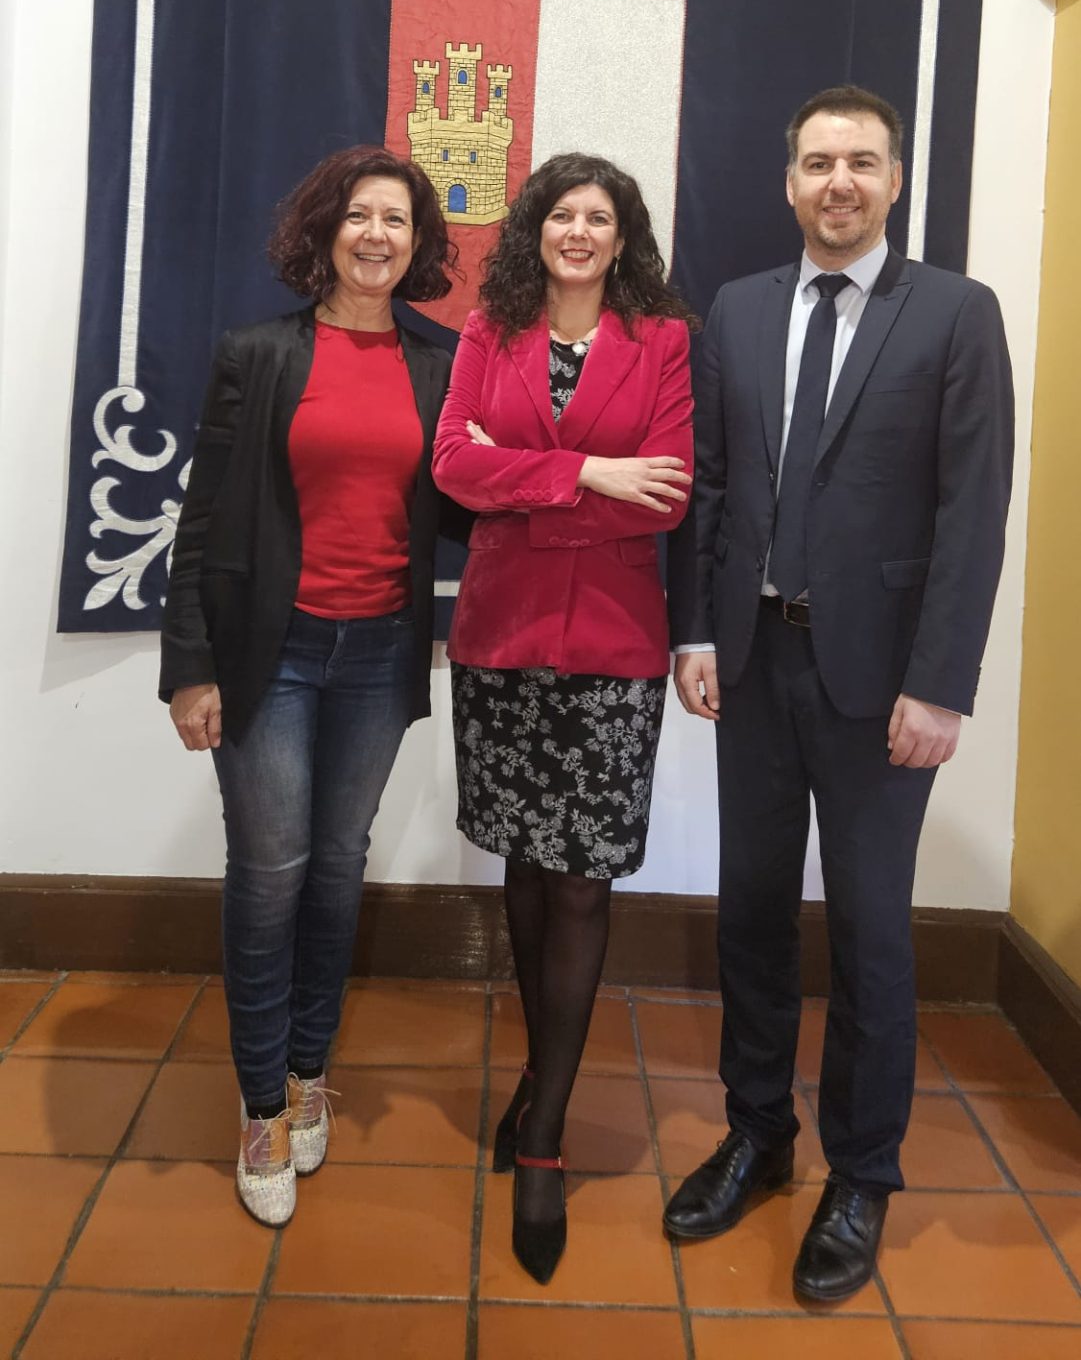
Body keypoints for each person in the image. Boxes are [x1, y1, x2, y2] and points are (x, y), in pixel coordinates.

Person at [666, 86, 1013, 1303]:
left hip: (881, 686)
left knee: (868, 932)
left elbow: (972, 513)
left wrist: (941, 685)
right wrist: (697, 631)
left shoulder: (955, 313)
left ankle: (862, 1171)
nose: (838, 183)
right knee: (752, 915)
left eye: (861, 161)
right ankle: (757, 1133)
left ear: (894, 180)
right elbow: (712, 486)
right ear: (789, 182)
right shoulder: (738, 308)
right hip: (754, 662)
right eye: (818, 162)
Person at [160, 146, 464, 1226]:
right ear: (326, 231)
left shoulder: (442, 365)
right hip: (270, 654)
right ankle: (259, 1109)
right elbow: (201, 522)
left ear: (420, 245)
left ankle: (305, 1075)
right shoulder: (257, 354)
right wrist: (189, 668)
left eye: (398, 220)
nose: (377, 235)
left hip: (379, 655)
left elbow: (471, 502)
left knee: (337, 871)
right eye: (359, 216)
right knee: (270, 875)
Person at [432, 152, 694, 1283]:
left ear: (622, 238)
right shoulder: (488, 333)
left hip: (612, 647)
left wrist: (527, 477)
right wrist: (589, 474)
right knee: (526, 872)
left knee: (581, 881)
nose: (578, 232)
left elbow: (666, 490)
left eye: (598, 217)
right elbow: (452, 466)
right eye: (560, 215)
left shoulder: (663, 342)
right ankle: (541, 1077)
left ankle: (542, 1132)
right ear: (533, 231)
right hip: (499, 637)